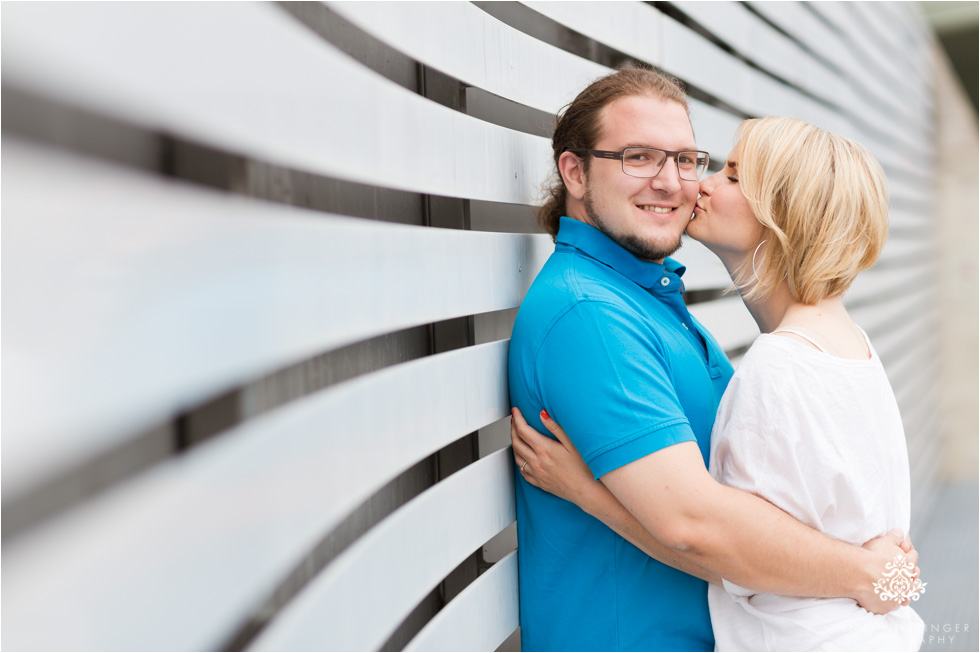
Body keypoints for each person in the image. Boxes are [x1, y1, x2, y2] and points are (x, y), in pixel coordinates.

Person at [507, 66, 918, 652]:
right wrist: (871, 574)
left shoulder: (664, 306)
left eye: (688, 160)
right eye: (639, 158)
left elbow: (778, 525)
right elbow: (696, 527)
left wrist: (886, 572)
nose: (680, 184)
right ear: (574, 171)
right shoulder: (590, 314)